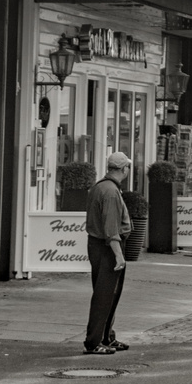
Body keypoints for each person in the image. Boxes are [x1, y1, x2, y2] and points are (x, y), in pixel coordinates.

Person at [83, 152, 132, 355]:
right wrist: (118, 255)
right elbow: (111, 228)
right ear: (123, 170)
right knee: (105, 295)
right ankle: (94, 341)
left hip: (99, 246)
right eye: (128, 167)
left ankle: (106, 336)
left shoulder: (100, 186)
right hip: (106, 248)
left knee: (108, 294)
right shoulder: (111, 191)